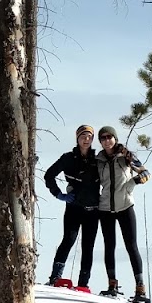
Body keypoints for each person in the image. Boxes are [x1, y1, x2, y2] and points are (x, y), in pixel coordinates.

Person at [93, 126, 151, 303]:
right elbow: (91, 181)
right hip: (105, 209)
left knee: (131, 246)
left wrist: (131, 184)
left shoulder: (126, 156)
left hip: (125, 206)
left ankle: (140, 287)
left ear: (115, 138)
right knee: (109, 246)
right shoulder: (98, 160)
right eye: (103, 138)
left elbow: (146, 173)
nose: (107, 140)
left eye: (110, 137)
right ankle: (112, 284)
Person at [42, 124, 102, 290]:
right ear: (77, 138)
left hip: (93, 210)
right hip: (74, 208)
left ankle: (83, 283)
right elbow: (49, 175)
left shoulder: (98, 160)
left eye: (89, 136)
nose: (86, 139)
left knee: (88, 246)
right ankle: (55, 276)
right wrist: (59, 194)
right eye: (83, 136)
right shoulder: (68, 158)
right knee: (68, 240)